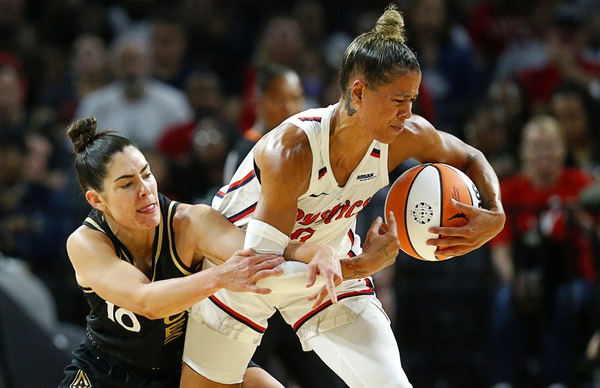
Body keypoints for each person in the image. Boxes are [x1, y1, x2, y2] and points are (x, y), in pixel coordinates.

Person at [181, 5, 505, 388]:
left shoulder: (405, 135)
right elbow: (260, 267)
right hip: (241, 270)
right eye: (398, 100)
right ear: (358, 92)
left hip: (330, 268)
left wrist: (495, 213)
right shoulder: (292, 149)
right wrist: (359, 267)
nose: (408, 112)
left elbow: (470, 156)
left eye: (413, 100)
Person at [58, 116, 397, 388]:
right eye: (127, 185)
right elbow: (146, 301)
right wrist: (219, 276)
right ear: (97, 201)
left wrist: (319, 253)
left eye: (146, 174)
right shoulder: (86, 243)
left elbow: (261, 251)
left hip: (185, 363)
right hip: (109, 372)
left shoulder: (191, 222)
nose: (145, 190)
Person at [488, 115, 596, 387]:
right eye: (536, 146)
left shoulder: (583, 186)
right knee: (504, 300)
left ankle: (558, 380)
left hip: (574, 276)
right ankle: (506, 381)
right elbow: (500, 249)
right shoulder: (509, 191)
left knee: (567, 302)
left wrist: (583, 224)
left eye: (549, 146)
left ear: (562, 150)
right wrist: (515, 281)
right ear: (524, 151)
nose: (543, 153)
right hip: (527, 275)